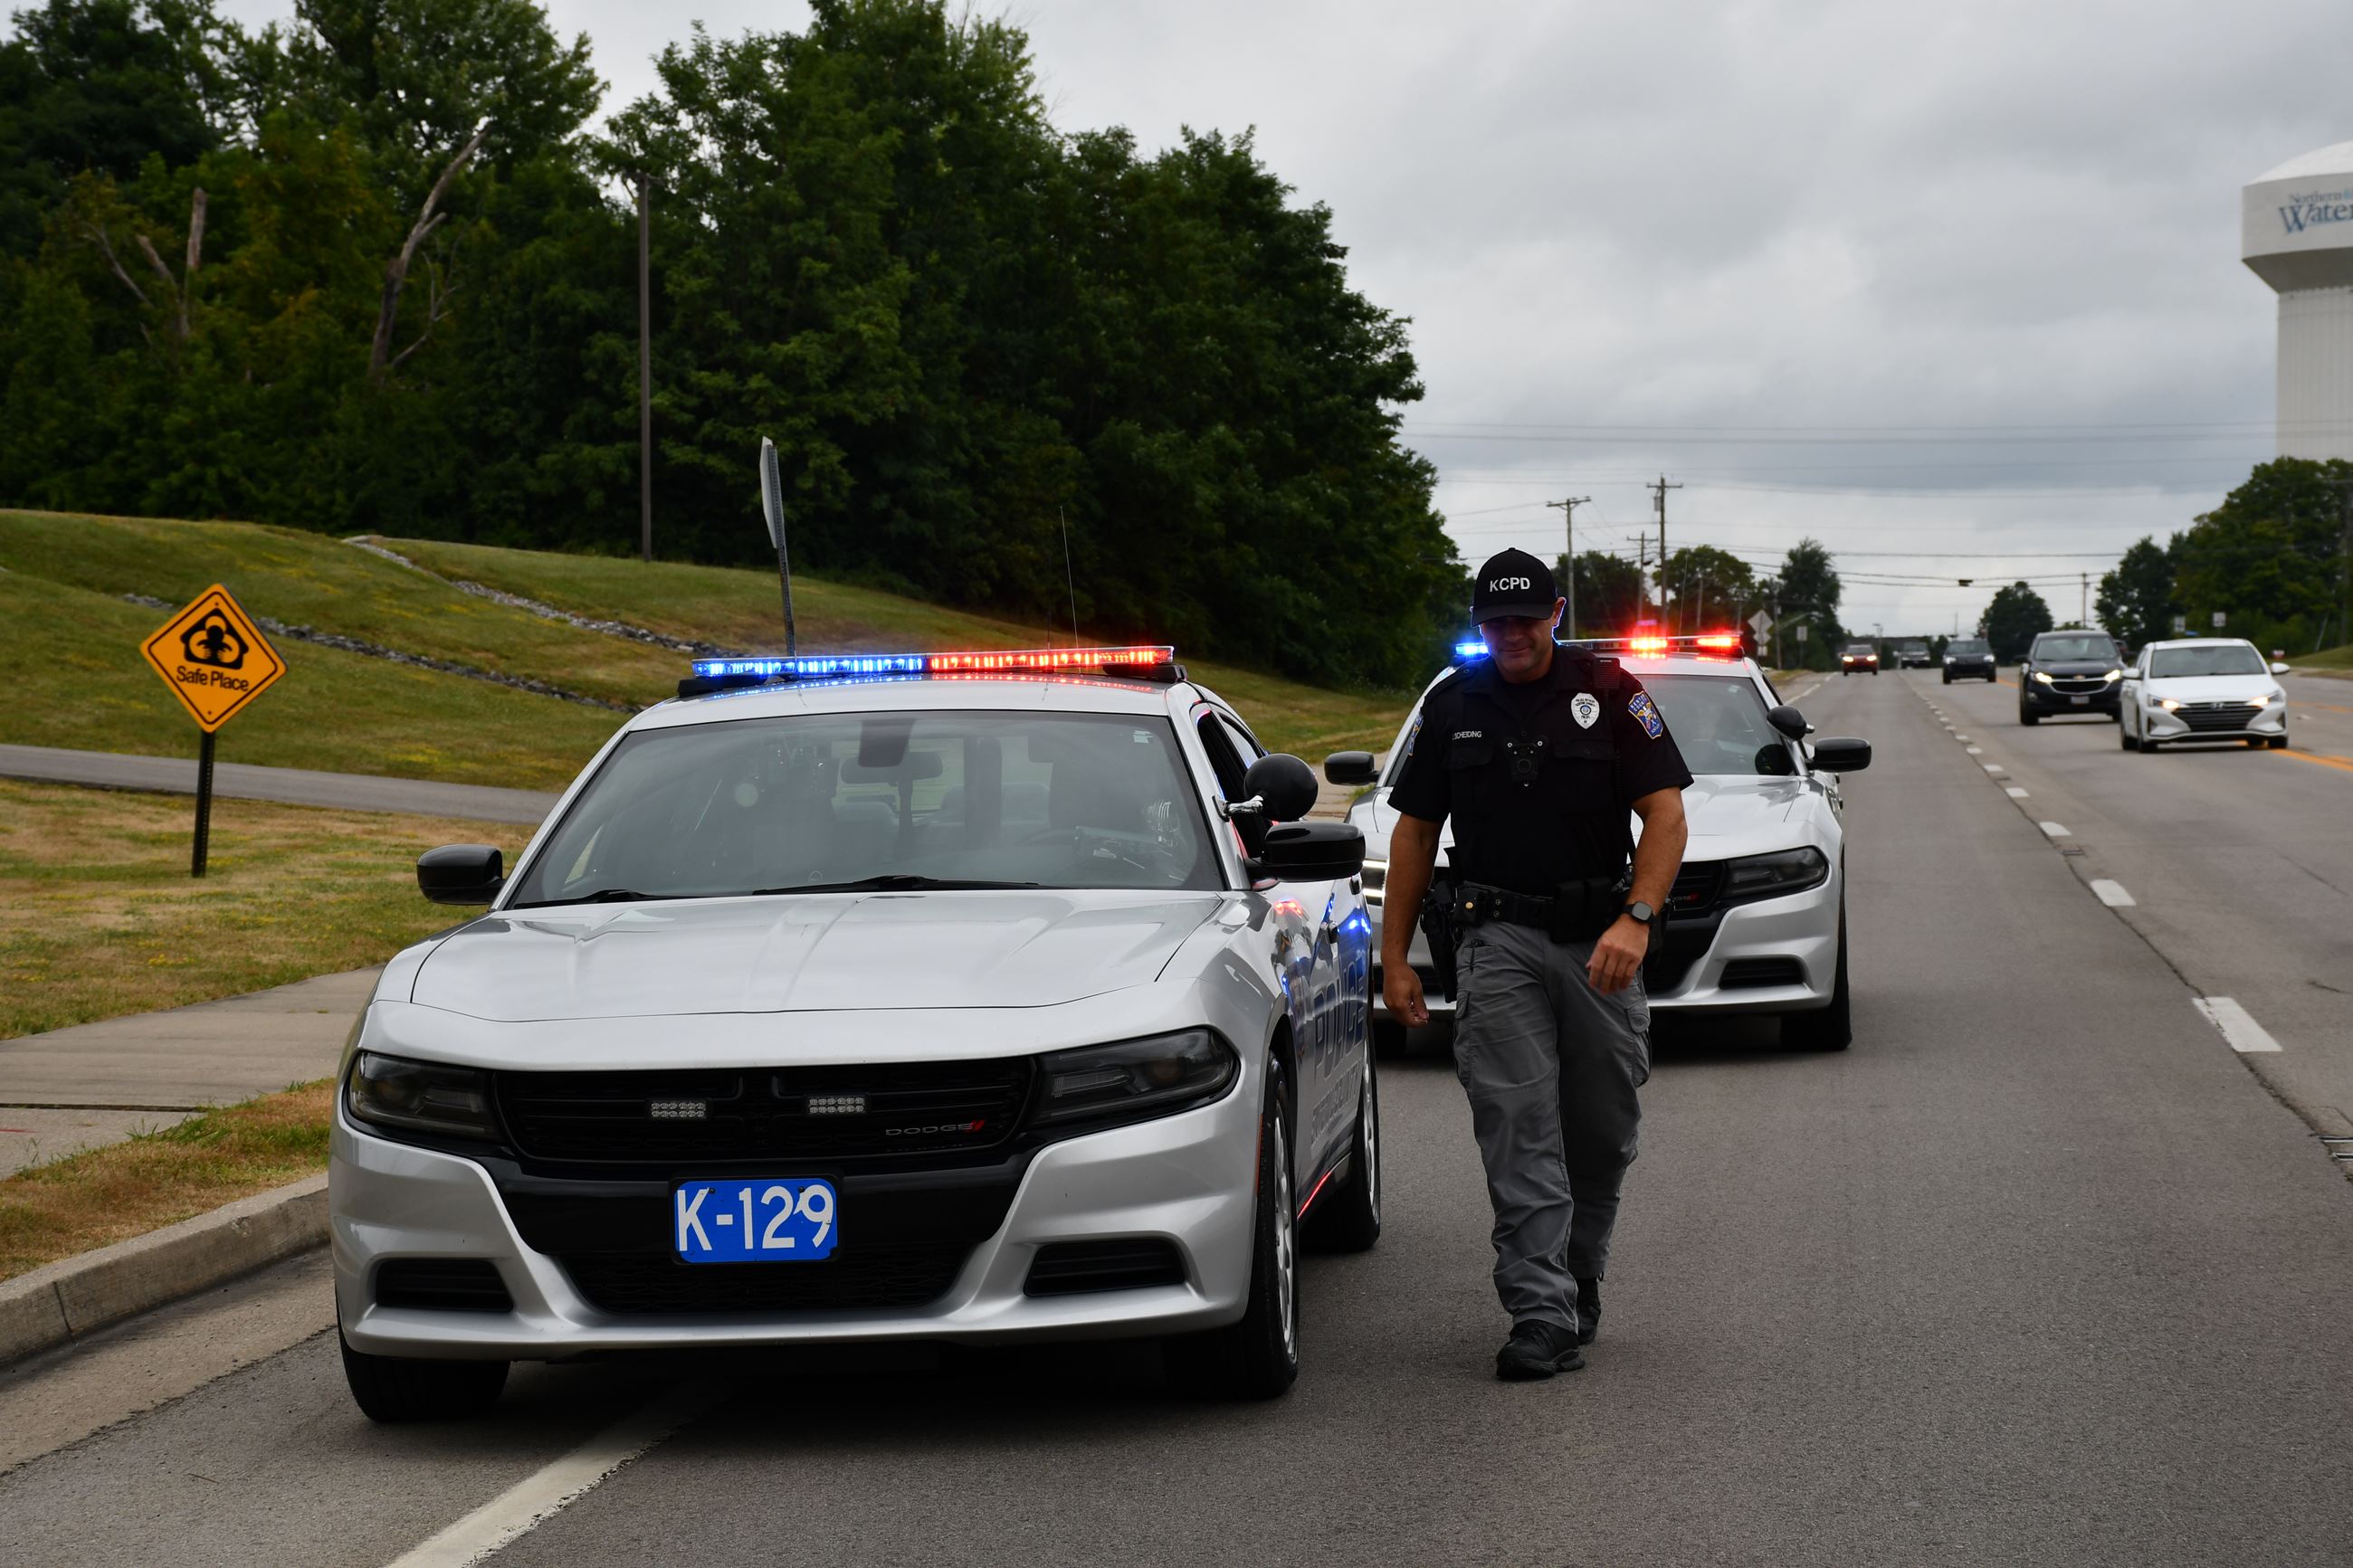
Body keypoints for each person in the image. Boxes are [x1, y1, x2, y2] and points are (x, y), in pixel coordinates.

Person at [1380, 548, 1691, 1381]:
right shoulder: (1453, 704)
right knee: (1518, 1127)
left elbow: (1665, 814)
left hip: (1599, 943)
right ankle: (1540, 1310)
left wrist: (1637, 918)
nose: (1510, 634)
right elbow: (1414, 833)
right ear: (1478, 623)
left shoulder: (1611, 692)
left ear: (1555, 614)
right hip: (1496, 940)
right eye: (1494, 621)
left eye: (1524, 618)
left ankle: (1579, 1273)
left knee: (1602, 1131)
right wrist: (1395, 957)